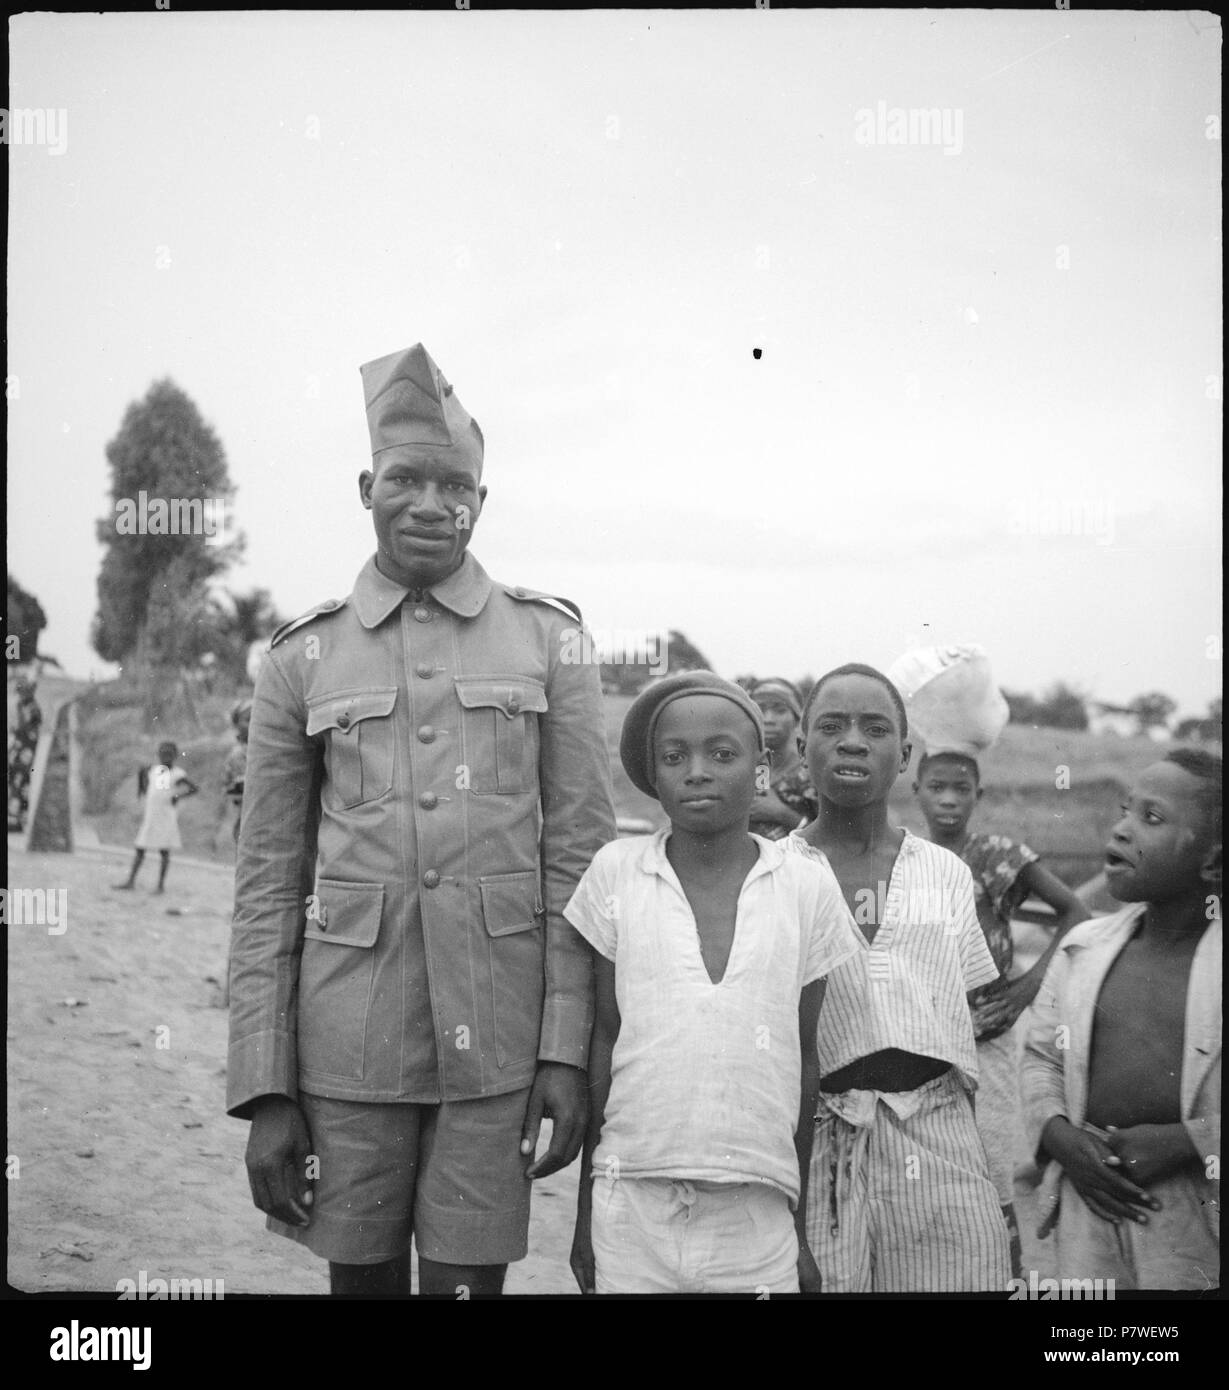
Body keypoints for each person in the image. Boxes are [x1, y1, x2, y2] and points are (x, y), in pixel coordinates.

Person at [227, 343, 616, 1298]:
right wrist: (266, 1088)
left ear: (483, 499)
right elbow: (270, 883)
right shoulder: (299, 659)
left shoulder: (550, 641)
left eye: (456, 485)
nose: (432, 504)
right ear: (367, 486)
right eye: (406, 479)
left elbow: (579, 867)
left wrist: (566, 1052)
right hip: (346, 1049)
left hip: (500, 1043)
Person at [565, 671, 863, 1293]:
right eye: (674, 757)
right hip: (632, 1202)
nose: (697, 771)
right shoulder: (617, 872)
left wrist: (798, 1227)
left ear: (761, 765)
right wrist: (586, 1215)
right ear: (653, 772)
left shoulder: (805, 885)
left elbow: (804, 1058)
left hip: (756, 1210)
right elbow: (604, 1040)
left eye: (722, 754)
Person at [783, 663, 1011, 1291]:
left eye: (875, 728)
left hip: (940, 1141)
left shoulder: (944, 874)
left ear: (905, 753)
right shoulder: (772, 875)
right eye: (831, 726)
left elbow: (961, 1017)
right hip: (819, 1143)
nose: (853, 741)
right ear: (803, 749)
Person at [1021, 749, 1221, 1290]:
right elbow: (1041, 1057)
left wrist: (1188, 1141)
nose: (1122, 829)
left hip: (1195, 1206)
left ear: (1212, 863)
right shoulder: (1083, 947)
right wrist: (1059, 1135)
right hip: (1090, 1192)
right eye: (1125, 810)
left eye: (1150, 819)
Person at [913, 749, 1090, 1274]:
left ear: (978, 796)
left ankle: (1006, 1277)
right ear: (918, 791)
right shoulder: (905, 856)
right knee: (929, 1174)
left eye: (960, 789)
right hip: (923, 1038)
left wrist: (1027, 988)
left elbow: (1076, 912)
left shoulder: (996, 853)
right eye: (937, 787)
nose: (948, 799)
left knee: (992, 1170)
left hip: (986, 1035)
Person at [114, 741, 198, 894]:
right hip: (151, 815)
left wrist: (177, 796)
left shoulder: (177, 774)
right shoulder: (153, 770)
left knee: (164, 850)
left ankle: (160, 885)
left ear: (175, 756)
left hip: (166, 815)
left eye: (169, 754)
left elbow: (194, 788)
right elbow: (144, 779)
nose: (166, 757)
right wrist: (143, 791)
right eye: (163, 754)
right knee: (140, 847)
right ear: (158, 754)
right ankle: (131, 881)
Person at [747, 677, 818, 840]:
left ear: (796, 719)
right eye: (761, 709)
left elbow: (833, 840)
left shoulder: (812, 772)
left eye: (780, 710)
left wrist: (782, 814)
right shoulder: (744, 769)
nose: (769, 719)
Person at [7, 669, 43, 832]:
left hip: (23, 752)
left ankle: (14, 820)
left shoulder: (31, 708)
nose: (19, 695)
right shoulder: (26, 705)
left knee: (18, 782)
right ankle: (19, 818)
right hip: (23, 751)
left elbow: (25, 730)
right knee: (21, 784)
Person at [220, 698, 252, 845]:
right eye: (248, 719)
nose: (254, 724)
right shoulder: (237, 754)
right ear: (236, 724)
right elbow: (229, 786)